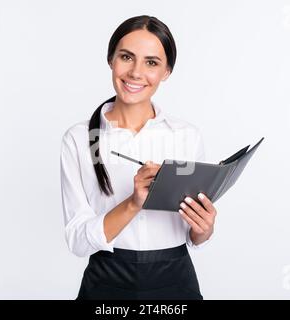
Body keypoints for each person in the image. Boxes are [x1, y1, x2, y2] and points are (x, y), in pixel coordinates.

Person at [60, 15, 217, 300]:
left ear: (167, 71)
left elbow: (193, 236)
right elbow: (78, 242)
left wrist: (203, 229)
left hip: (175, 279)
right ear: (111, 60)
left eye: (151, 62)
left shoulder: (186, 136)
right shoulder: (79, 139)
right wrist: (133, 203)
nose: (135, 72)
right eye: (126, 57)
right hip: (106, 281)